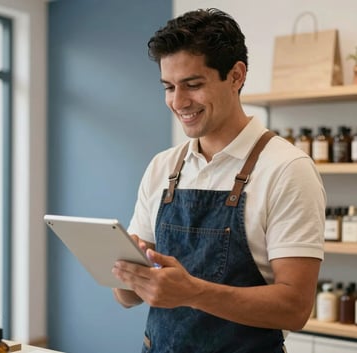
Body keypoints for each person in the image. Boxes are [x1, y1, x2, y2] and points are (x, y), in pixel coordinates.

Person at [112, 8, 325, 353]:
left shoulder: (287, 169)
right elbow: (126, 299)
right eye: (169, 87)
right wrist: (127, 274)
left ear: (236, 76)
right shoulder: (162, 167)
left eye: (193, 85)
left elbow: (296, 308)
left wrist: (192, 291)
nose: (178, 102)